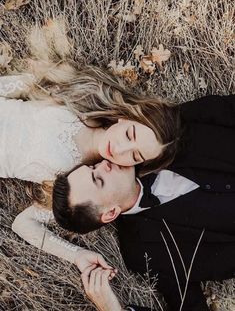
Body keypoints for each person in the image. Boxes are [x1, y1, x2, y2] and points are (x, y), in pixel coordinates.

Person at [52, 95, 235, 310]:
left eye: (93, 168)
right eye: (98, 180)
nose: (103, 165)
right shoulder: (143, 252)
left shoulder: (153, 137)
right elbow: (189, 306)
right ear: (110, 213)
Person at [6, 65, 179, 264]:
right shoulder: (86, 100)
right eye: (128, 134)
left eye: (135, 156)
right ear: (125, 118)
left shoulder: (82, 183)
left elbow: (23, 223)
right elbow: (31, 81)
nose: (120, 149)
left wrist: (76, 255)